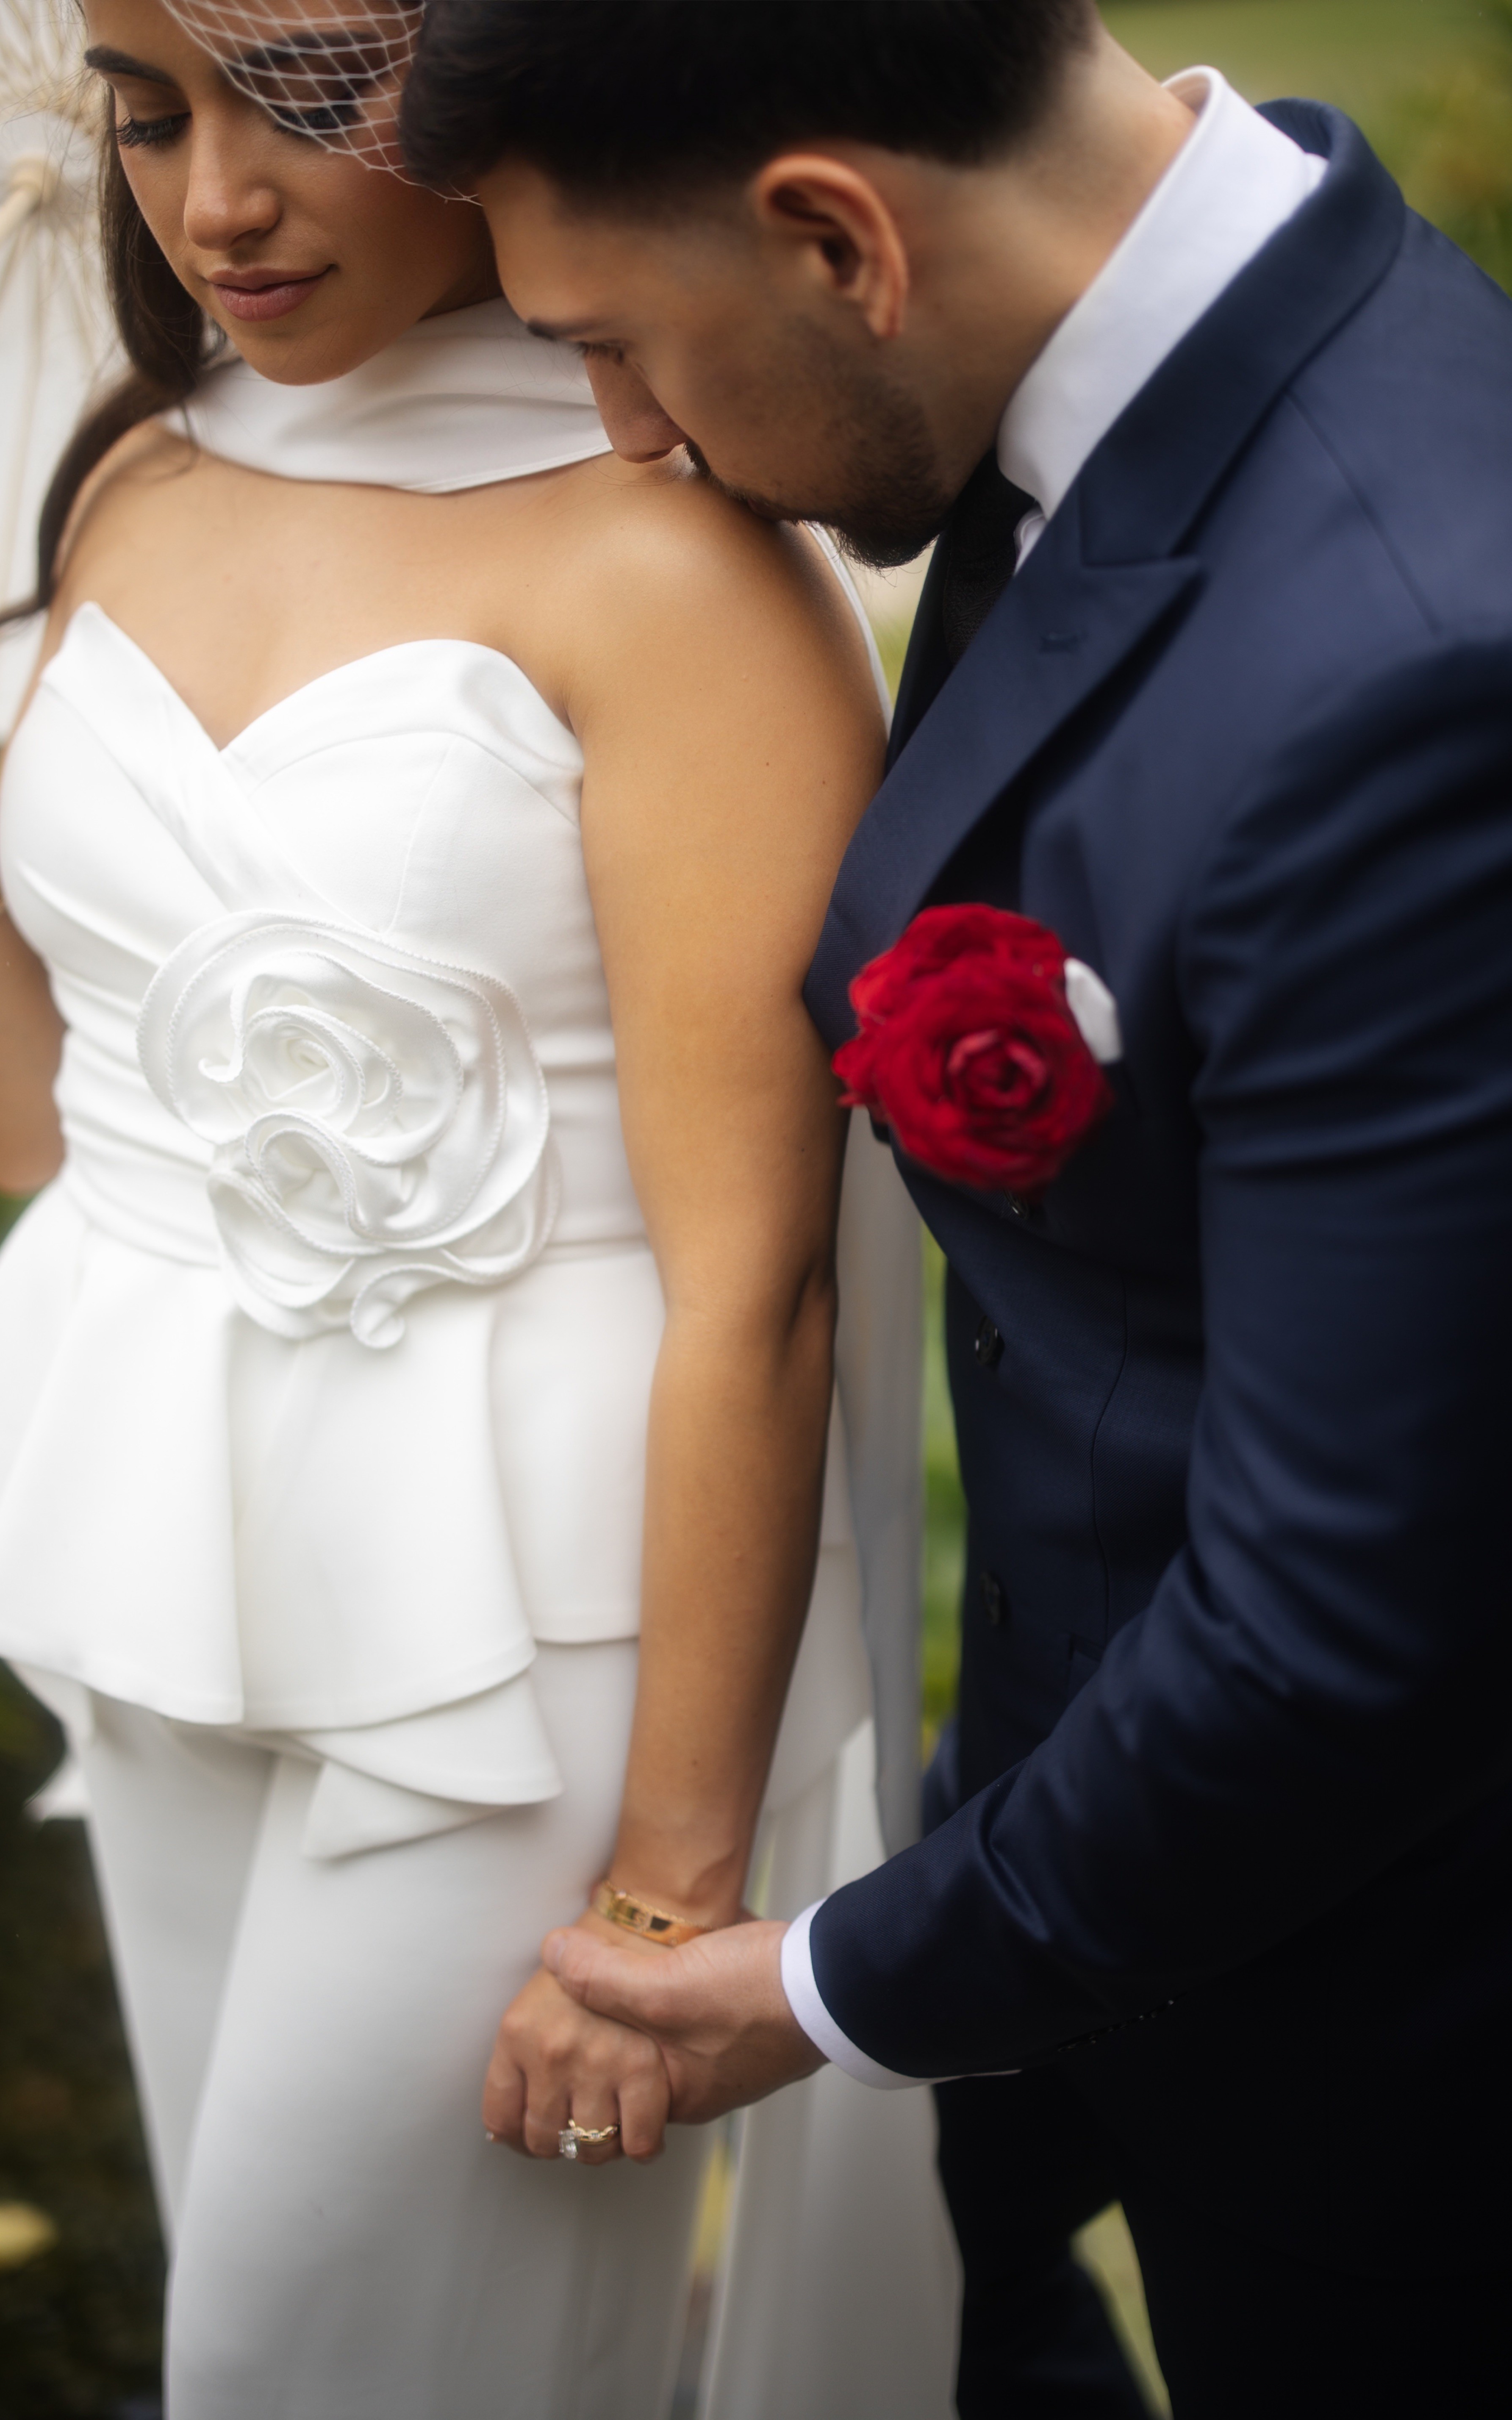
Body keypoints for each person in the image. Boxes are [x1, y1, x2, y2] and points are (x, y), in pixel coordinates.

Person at [402, 3, 1512, 2412]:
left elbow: (1353, 1625)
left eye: (613, 344)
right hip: (1082, 1822)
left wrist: (827, 1984)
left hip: (1393, 2016)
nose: (623, 435)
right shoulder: (1139, 365)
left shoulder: (1418, 666)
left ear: (833, 236)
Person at [0, 2, 961, 2411]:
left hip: (540, 1635)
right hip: (167, 1555)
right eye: (151, 116)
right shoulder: (136, 481)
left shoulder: (678, 574)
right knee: (261, 2329)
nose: (214, 206)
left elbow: (758, 1290)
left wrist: (670, 1891)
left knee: (312, 2362)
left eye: (293, 107)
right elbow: (43, 1149)